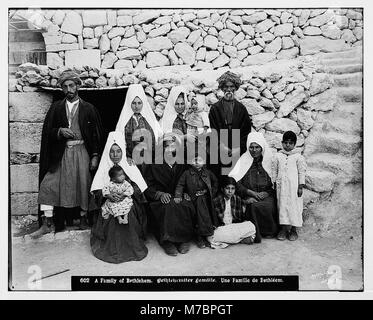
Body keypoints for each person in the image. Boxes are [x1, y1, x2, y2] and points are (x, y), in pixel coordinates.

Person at [33, 70, 104, 238]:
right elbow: (47, 132)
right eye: (65, 87)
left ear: (77, 86)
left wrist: (95, 156)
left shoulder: (89, 108)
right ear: (62, 89)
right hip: (61, 153)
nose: (69, 89)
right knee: (48, 185)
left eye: (71, 85)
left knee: (84, 184)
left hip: (82, 152)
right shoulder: (56, 107)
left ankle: (84, 218)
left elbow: (96, 135)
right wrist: (59, 131)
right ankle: (47, 222)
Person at [90, 131, 148, 264]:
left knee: (130, 212)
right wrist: (109, 196)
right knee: (109, 215)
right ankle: (114, 248)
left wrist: (126, 194)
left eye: (118, 151)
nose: (115, 155)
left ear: (123, 152)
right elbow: (97, 191)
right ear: (108, 153)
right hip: (109, 202)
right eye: (112, 152)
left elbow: (139, 188)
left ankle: (131, 246)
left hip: (129, 201)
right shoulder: (104, 168)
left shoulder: (129, 165)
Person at [143, 135, 196, 256]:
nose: (170, 149)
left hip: (179, 195)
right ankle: (167, 241)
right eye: (166, 146)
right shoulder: (154, 165)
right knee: (168, 206)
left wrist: (187, 192)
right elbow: (147, 186)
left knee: (184, 204)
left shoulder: (183, 164)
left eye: (173, 145)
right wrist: (159, 194)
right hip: (161, 199)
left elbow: (190, 181)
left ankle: (183, 239)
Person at [229, 132, 278, 243]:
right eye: (251, 147)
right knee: (253, 205)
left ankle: (269, 231)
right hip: (248, 195)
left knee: (268, 206)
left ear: (262, 148)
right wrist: (250, 193)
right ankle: (255, 232)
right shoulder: (243, 161)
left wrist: (268, 192)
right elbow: (235, 182)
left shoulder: (269, 161)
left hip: (266, 195)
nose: (254, 150)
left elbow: (275, 182)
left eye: (257, 147)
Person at [208, 71, 252, 176]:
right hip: (220, 147)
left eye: (231, 86)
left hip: (237, 146)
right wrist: (221, 146)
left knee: (235, 175)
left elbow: (246, 131)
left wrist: (238, 148)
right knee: (220, 175)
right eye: (226, 86)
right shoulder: (215, 109)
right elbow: (212, 130)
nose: (228, 89)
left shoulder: (241, 109)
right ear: (222, 88)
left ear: (235, 88)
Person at [174, 153, 219, 249]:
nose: (197, 163)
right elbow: (180, 185)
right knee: (199, 203)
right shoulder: (187, 173)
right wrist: (178, 195)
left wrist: (211, 192)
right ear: (190, 162)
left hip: (206, 198)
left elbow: (215, 182)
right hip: (193, 198)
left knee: (201, 203)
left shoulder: (207, 173)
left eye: (200, 161)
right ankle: (202, 235)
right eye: (195, 161)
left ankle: (203, 234)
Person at [115, 84, 162, 166]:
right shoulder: (124, 121)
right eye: (134, 103)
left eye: (139, 103)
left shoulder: (150, 119)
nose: (137, 106)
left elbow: (159, 138)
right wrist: (126, 157)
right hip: (131, 162)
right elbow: (118, 141)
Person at [272, 131, 307, 241]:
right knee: (281, 206)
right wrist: (273, 183)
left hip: (294, 188)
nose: (288, 145)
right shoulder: (278, 156)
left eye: (290, 143)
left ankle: (293, 230)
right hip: (281, 187)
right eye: (285, 142)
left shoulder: (298, 157)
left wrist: (300, 186)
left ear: (294, 144)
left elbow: (302, 172)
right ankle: (283, 229)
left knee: (294, 207)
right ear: (282, 143)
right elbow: (274, 170)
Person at [208, 176, 256, 249]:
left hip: (233, 228)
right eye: (227, 188)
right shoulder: (216, 200)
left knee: (251, 226)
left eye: (232, 189)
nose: (230, 191)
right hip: (222, 229)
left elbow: (241, 219)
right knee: (210, 236)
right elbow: (213, 223)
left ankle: (229, 241)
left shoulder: (237, 199)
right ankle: (239, 240)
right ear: (222, 189)